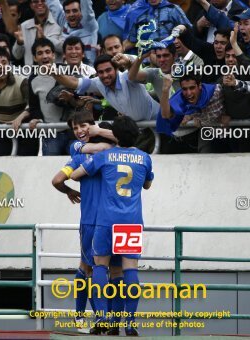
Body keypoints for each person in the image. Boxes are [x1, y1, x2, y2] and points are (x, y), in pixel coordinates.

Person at [70, 115, 154, 336]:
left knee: (99, 268)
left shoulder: (105, 157)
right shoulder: (145, 158)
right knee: (130, 270)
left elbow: (76, 176)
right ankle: (130, 322)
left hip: (106, 221)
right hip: (132, 221)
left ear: (115, 135)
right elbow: (147, 185)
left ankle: (104, 318)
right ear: (135, 135)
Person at [51, 111, 116, 333]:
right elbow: (120, 140)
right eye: (75, 127)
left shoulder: (78, 156)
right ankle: (111, 320)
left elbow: (57, 180)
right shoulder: (114, 152)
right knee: (113, 270)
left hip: (90, 220)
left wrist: (69, 191)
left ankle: (86, 318)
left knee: (88, 267)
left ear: (93, 126)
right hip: (114, 221)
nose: (79, 131)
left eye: (84, 126)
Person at [158, 73, 226, 153]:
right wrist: (165, 90)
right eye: (185, 89)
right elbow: (165, 115)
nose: (189, 93)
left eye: (192, 88)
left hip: (231, 131)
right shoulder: (181, 98)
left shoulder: (216, 91)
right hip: (208, 132)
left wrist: (228, 113)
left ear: (199, 86)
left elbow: (235, 99)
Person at [123, 0, 192, 52]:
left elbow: (190, 30)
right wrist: (118, 51)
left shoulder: (172, 9)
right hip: (146, 57)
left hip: (171, 53)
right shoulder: (136, 12)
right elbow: (132, 40)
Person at [12, 0, 64, 66]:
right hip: (31, 73)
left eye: (43, 1)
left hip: (54, 73)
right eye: (36, 1)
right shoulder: (24, 26)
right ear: (31, 5)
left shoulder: (59, 23)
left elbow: (64, 48)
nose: (39, 3)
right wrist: (19, 43)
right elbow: (17, 56)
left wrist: (45, 38)